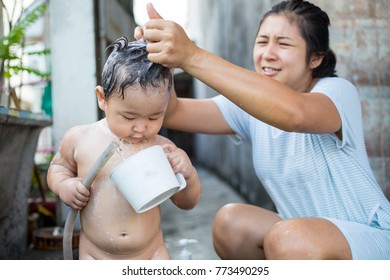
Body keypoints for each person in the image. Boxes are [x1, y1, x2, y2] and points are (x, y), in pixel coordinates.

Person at [135, 0, 390, 259]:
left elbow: (295, 114)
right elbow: (172, 112)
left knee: (290, 238)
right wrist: (159, 60)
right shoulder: (251, 109)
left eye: (283, 43)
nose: (268, 53)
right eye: (262, 41)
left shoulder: (336, 92)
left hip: (370, 240)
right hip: (300, 242)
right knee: (231, 223)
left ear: (316, 57)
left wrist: (190, 55)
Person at [47, 37, 202, 260]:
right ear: (103, 99)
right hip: (95, 254)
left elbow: (187, 203)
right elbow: (57, 168)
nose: (141, 128)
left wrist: (189, 174)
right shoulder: (81, 139)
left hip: (151, 252)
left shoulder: (163, 148)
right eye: (129, 116)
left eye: (154, 116)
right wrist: (64, 185)